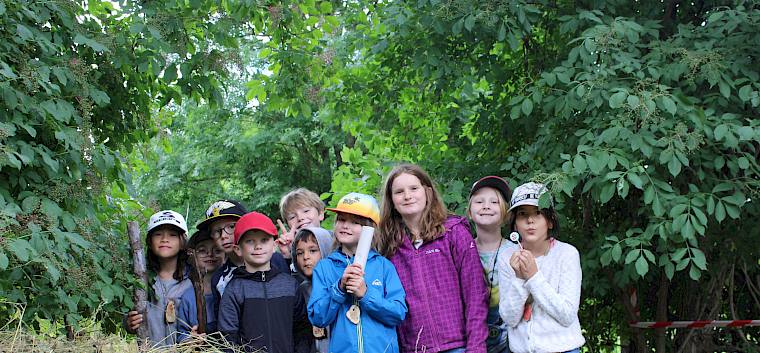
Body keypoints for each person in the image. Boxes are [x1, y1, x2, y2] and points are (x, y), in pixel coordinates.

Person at [376, 164, 488, 353]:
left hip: (458, 345)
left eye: (413, 188)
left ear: (427, 192)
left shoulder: (454, 232)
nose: (407, 196)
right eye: (399, 191)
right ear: (391, 200)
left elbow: (475, 294)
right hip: (414, 348)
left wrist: (476, 347)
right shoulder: (388, 247)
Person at [309, 192, 407, 353]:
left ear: (370, 228)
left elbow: (398, 314)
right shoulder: (325, 267)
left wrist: (366, 295)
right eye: (341, 219)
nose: (345, 225)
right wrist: (339, 289)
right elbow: (318, 318)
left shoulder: (384, 266)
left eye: (355, 222)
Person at [497, 182, 585, 353]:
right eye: (523, 214)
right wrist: (519, 278)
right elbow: (509, 318)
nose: (530, 220)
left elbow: (567, 315)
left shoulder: (567, 254)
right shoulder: (507, 257)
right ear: (515, 224)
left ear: (550, 221)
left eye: (538, 213)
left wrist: (533, 277)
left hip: (564, 349)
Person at [217, 211, 308, 352]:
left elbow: (302, 331)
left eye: (264, 240)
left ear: (274, 245)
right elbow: (227, 337)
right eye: (249, 241)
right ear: (238, 249)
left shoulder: (289, 285)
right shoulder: (234, 289)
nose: (258, 246)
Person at [198, 200, 288, 320]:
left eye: (231, 227)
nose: (224, 236)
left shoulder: (275, 260)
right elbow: (222, 322)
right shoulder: (219, 279)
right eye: (217, 231)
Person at [124, 210, 194, 347]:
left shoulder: (193, 281)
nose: (164, 239)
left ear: (182, 242)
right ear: (149, 241)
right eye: (158, 234)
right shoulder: (138, 280)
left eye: (172, 235)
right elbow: (128, 314)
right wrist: (128, 322)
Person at [467, 176, 514, 353]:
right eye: (479, 201)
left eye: (494, 202)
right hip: (474, 340)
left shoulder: (516, 252)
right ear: (470, 212)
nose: (486, 206)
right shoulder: (461, 252)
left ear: (506, 213)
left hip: (512, 341)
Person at [177, 229, 225, 340]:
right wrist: (189, 339)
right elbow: (181, 333)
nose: (210, 254)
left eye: (217, 250)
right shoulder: (188, 297)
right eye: (202, 251)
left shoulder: (229, 288)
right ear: (192, 256)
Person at [291, 226, 333, 353]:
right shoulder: (301, 290)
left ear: (327, 250)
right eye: (300, 253)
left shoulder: (340, 286)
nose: (306, 257)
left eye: (313, 250)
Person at [277, 188, 328, 262]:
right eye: (292, 217)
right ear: (288, 225)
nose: (300, 218)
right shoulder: (289, 252)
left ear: (320, 213)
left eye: (306, 211)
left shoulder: (337, 242)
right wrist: (288, 255)